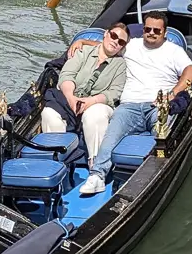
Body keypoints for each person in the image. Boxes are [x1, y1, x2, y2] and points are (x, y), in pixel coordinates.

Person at [69, 12, 192, 196]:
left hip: (159, 106)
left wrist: (173, 94)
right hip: (129, 107)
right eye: (147, 29)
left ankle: (154, 175)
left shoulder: (174, 51)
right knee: (111, 135)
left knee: (163, 138)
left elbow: (191, 71)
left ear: (165, 32)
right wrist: (82, 43)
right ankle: (97, 176)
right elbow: (107, 47)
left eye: (156, 30)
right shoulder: (132, 46)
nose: (151, 33)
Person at [42, 23, 129, 167]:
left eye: (121, 42)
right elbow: (67, 75)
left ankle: (96, 164)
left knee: (95, 113)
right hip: (71, 97)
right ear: (106, 33)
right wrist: (71, 98)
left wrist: (91, 101)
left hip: (98, 103)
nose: (115, 42)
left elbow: (114, 93)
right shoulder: (83, 51)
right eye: (114, 36)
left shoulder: (120, 65)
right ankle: (58, 162)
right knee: (49, 113)